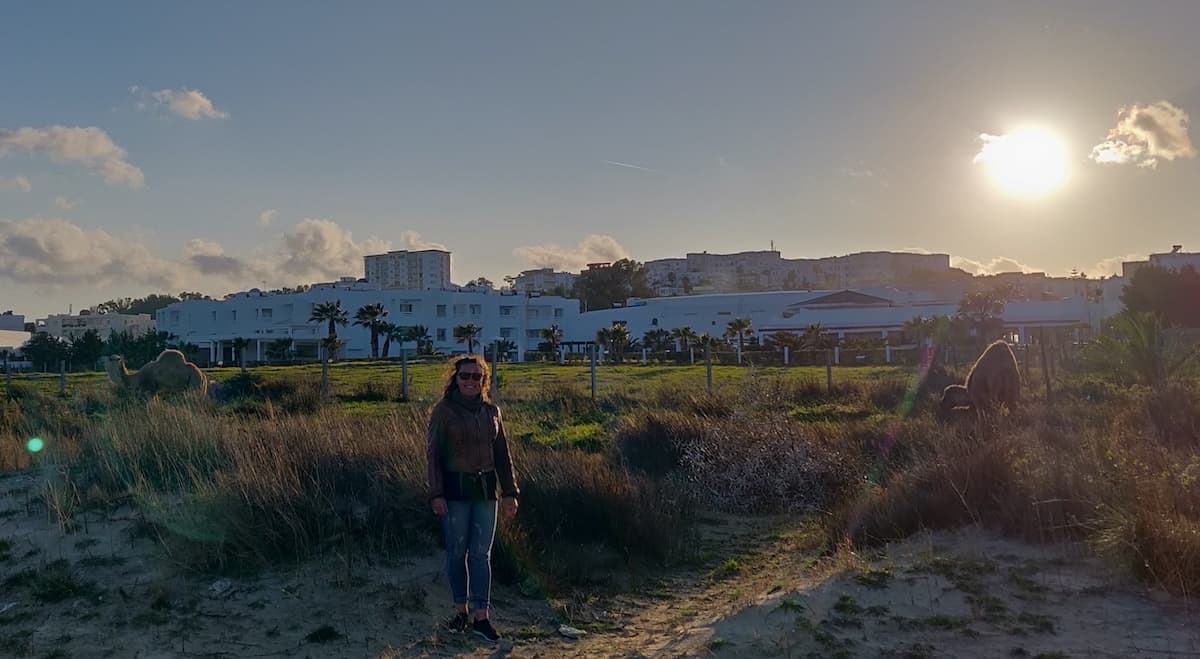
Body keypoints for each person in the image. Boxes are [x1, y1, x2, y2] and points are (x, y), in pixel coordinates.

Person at [426, 354, 520, 643]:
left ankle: (482, 618)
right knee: (456, 553)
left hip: (485, 492)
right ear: (455, 379)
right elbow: (434, 456)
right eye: (464, 376)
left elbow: (503, 455)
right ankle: (460, 611)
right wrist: (437, 493)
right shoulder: (443, 411)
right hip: (454, 491)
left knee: (481, 555)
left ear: (484, 381)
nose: (469, 381)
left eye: (475, 377)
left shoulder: (492, 412)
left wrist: (509, 492)